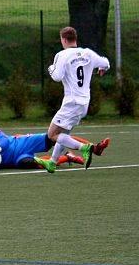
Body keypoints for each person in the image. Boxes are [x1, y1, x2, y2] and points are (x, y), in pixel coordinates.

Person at [44, 26, 112, 171]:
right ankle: (52, 162)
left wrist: (50, 68)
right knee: (64, 133)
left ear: (63, 39)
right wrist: (103, 68)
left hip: (71, 102)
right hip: (84, 103)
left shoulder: (62, 55)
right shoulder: (88, 53)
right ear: (75, 39)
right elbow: (106, 63)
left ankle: (85, 147)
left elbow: (57, 77)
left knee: (52, 134)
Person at [0, 122, 88, 170]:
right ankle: (67, 157)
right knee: (37, 164)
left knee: (54, 137)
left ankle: (90, 146)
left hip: (21, 143)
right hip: (16, 160)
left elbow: (4, 139)